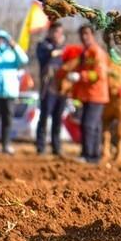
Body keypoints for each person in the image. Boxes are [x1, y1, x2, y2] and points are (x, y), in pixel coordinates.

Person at [0, 30, 29, 155]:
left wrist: (15, 46)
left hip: (10, 92)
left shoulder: (12, 54)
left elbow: (24, 60)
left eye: (4, 39)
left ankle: (6, 144)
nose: (1, 42)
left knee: (7, 119)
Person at [69, 25, 109, 163]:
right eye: (82, 34)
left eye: (86, 33)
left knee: (89, 125)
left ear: (92, 35)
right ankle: (91, 154)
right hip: (86, 95)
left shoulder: (96, 53)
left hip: (96, 95)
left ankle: (90, 156)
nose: (84, 37)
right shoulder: (85, 53)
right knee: (91, 125)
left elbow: (99, 74)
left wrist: (81, 76)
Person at [35, 22, 67, 156]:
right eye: (55, 32)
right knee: (44, 116)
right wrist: (58, 51)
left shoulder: (65, 48)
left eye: (60, 32)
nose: (58, 35)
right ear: (50, 32)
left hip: (62, 87)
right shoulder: (43, 46)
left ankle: (56, 146)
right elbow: (47, 55)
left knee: (58, 118)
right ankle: (41, 146)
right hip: (48, 87)